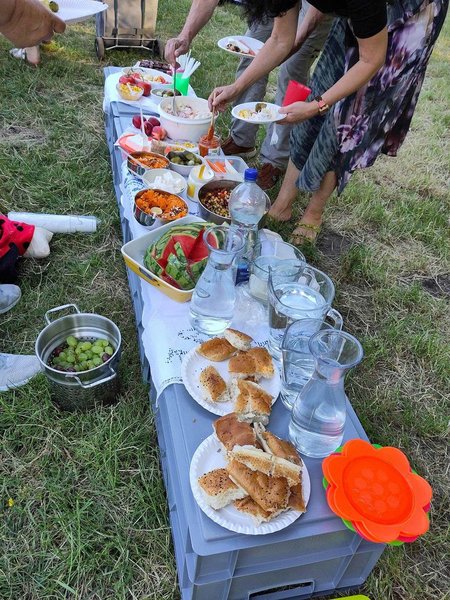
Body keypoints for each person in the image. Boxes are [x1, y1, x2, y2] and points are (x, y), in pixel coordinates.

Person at [210, 0, 448, 243]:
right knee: (324, 80)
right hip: (362, 11)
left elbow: (371, 60)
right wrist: (237, 87)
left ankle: (314, 212)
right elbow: (280, 39)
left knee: (352, 113)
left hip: (411, 13)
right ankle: (282, 204)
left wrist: (316, 106)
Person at [165, 0, 332, 190]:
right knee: (251, 52)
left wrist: (296, 41)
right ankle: (242, 140)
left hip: (317, 7)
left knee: (292, 67)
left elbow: (283, 40)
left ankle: (275, 160)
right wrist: (185, 36)